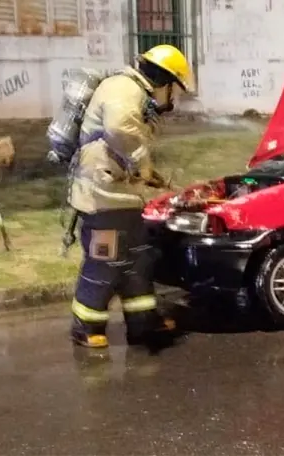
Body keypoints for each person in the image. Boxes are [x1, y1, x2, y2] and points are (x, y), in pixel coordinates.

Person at [68, 44, 194, 349]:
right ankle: (85, 326)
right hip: (102, 198)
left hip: (120, 196)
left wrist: (148, 177)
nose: (173, 98)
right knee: (105, 260)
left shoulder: (131, 91)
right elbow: (120, 128)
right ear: (165, 81)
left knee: (138, 258)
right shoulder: (126, 89)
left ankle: (142, 323)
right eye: (174, 89)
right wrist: (142, 164)